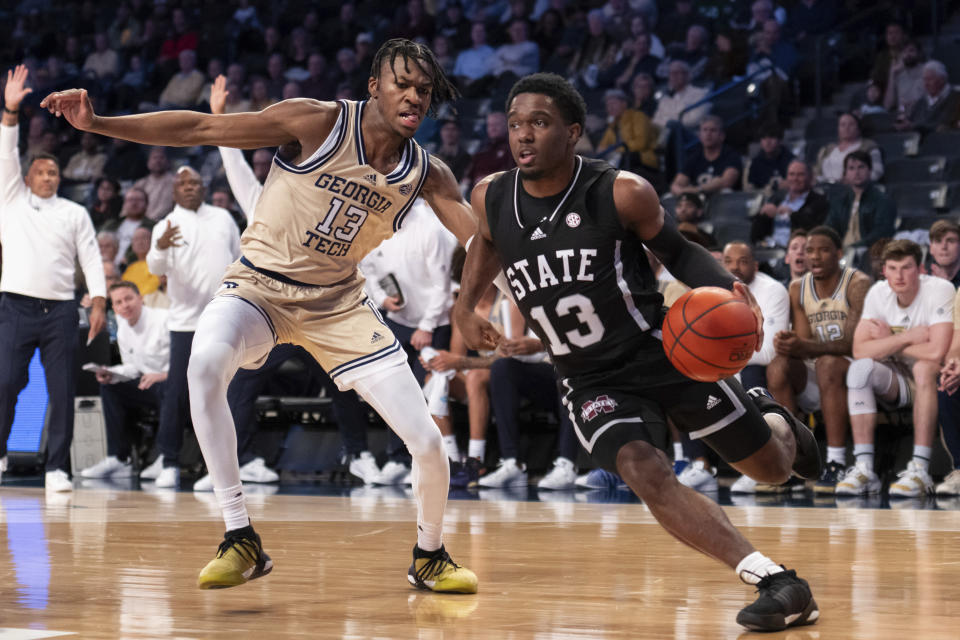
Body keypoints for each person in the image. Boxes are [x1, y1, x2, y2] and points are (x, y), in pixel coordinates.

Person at [42, 38, 480, 593]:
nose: (415, 96)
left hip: (338, 304)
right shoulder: (316, 121)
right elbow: (199, 130)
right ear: (374, 86)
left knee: (427, 441)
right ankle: (238, 535)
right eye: (403, 84)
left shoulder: (427, 173)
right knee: (202, 367)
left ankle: (430, 554)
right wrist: (99, 123)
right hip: (259, 286)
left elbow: (481, 242)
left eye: (424, 89)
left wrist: (481, 294)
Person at [454, 72, 820, 631]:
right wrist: (465, 306)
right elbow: (486, 239)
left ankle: (773, 416)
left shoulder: (621, 191)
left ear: (572, 132)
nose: (522, 135)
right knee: (641, 468)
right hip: (588, 378)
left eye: (540, 123)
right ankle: (775, 580)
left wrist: (726, 287)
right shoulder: (491, 194)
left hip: (665, 356)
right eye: (515, 123)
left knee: (773, 469)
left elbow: (677, 250)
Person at [0, 65, 106, 493]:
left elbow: (93, 258)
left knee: (62, 390)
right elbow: (7, 154)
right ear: (27, 177)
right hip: (15, 305)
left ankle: (57, 467)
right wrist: (10, 111)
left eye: (54, 173)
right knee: (5, 382)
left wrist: (98, 300)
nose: (49, 177)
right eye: (42, 172)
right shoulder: (11, 200)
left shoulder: (74, 212)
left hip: (61, 309)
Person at [746, 226, 871, 494]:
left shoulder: (858, 283)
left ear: (839, 254)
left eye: (823, 250)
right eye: (810, 250)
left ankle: (836, 461)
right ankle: (791, 459)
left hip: (857, 372)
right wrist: (789, 344)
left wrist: (804, 345)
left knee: (829, 363)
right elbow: (804, 345)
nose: (814, 257)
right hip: (819, 372)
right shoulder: (797, 287)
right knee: (779, 365)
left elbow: (854, 343)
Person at [142, 166, 241, 489]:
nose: (189, 187)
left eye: (195, 182)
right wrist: (161, 247)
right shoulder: (165, 225)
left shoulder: (223, 218)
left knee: (222, 391)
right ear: (173, 191)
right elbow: (155, 268)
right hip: (185, 322)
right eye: (182, 183)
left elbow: (240, 258)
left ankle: (218, 468)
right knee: (177, 393)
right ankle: (169, 461)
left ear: (204, 186)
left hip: (223, 316)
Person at [839, 239, 954, 497]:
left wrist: (886, 341)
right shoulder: (878, 293)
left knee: (925, 367)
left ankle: (920, 469)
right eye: (892, 268)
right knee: (859, 369)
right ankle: (864, 469)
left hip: (931, 380)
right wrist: (904, 337)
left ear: (920, 269)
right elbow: (860, 349)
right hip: (896, 379)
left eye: (906, 267)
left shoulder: (940, 289)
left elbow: (937, 352)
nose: (899, 275)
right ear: (884, 270)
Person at [80, 281, 169, 479]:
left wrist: (163, 375)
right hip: (147, 384)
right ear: (114, 308)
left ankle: (167, 458)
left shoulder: (164, 320)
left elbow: (188, 362)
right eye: (118, 302)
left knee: (167, 389)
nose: (125, 305)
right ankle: (119, 459)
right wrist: (112, 373)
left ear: (140, 298)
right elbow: (132, 367)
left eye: (128, 299)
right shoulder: (123, 329)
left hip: (175, 384)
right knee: (111, 387)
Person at [824, 150, 896, 253]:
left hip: (868, 252)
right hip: (841, 252)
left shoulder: (883, 201)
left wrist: (854, 247)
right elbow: (828, 228)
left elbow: (881, 232)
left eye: (861, 167)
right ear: (846, 174)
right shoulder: (839, 202)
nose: (856, 172)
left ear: (870, 170)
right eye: (851, 168)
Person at [750, 160, 828, 248]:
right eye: (791, 174)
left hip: (797, 250)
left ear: (810, 177)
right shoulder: (777, 198)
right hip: (769, 248)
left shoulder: (819, 201)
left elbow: (816, 230)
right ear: (786, 177)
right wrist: (762, 215)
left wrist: (791, 214)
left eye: (800, 174)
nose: (795, 178)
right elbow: (755, 234)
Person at [670, 115, 743, 197]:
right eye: (705, 130)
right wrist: (681, 191)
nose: (708, 134)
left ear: (722, 136)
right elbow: (677, 183)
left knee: (726, 191)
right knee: (669, 196)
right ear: (699, 135)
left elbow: (727, 182)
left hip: (721, 202)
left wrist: (697, 190)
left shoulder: (731, 156)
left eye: (713, 130)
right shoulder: (694, 157)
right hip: (696, 202)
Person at [813, 113, 882, 184]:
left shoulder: (869, 146)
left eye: (851, 124)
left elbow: (877, 171)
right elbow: (816, 172)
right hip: (825, 188)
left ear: (858, 128)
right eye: (843, 125)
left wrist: (856, 181)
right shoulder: (828, 149)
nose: (846, 128)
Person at [745, 123, 794, 193]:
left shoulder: (791, 161)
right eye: (764, 138)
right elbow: (751, 186)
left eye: (771, 137)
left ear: (780, 140)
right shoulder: (756, 162)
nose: (767, 142)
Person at [928, 219, 960, 288]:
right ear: (931, 248)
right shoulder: (922, 279)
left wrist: (945, 286)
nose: (944, 247)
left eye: (951, 241)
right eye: (938, 241)